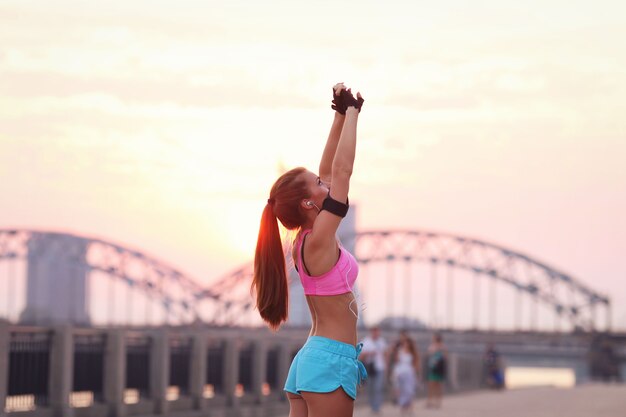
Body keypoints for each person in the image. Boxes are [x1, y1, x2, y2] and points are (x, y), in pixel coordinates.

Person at [252, 82, 365, 417]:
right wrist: (356, 115)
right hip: (329, 361)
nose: (325, 183)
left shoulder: (309, 240)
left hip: (314, 358)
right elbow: (342, 172)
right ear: (306, 202)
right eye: (318, 184)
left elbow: (330, 169)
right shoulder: (317, 241)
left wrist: (340, 115)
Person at [389, 331, 420, 415]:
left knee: (409, 391)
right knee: (402, 390)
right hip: (401, 372)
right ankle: (403, 407)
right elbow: (396, 361)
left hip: (409, 373)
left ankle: (410, 407)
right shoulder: (399, 350)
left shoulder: (413, 353)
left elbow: (416, 364)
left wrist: (416, 373)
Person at [360, 326, 388, 414]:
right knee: (370, 388)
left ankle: (377, 407)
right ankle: (372, 406)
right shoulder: (366, 341)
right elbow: (361, 356)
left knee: (378, 387)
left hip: (380, 367)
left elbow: (386, 353)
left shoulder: (382, 341)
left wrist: (386, 365)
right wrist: (370, 353)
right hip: (370, 368)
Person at [426, 332, 447, 409]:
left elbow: (445, 357)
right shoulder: (432, 346)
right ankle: (430, 401)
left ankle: (438, 402)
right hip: (432, 368)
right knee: (431, 386)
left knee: (439, 386)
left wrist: (439, 348)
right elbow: (429, 353)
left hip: (439, 369)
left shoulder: (443, 347)